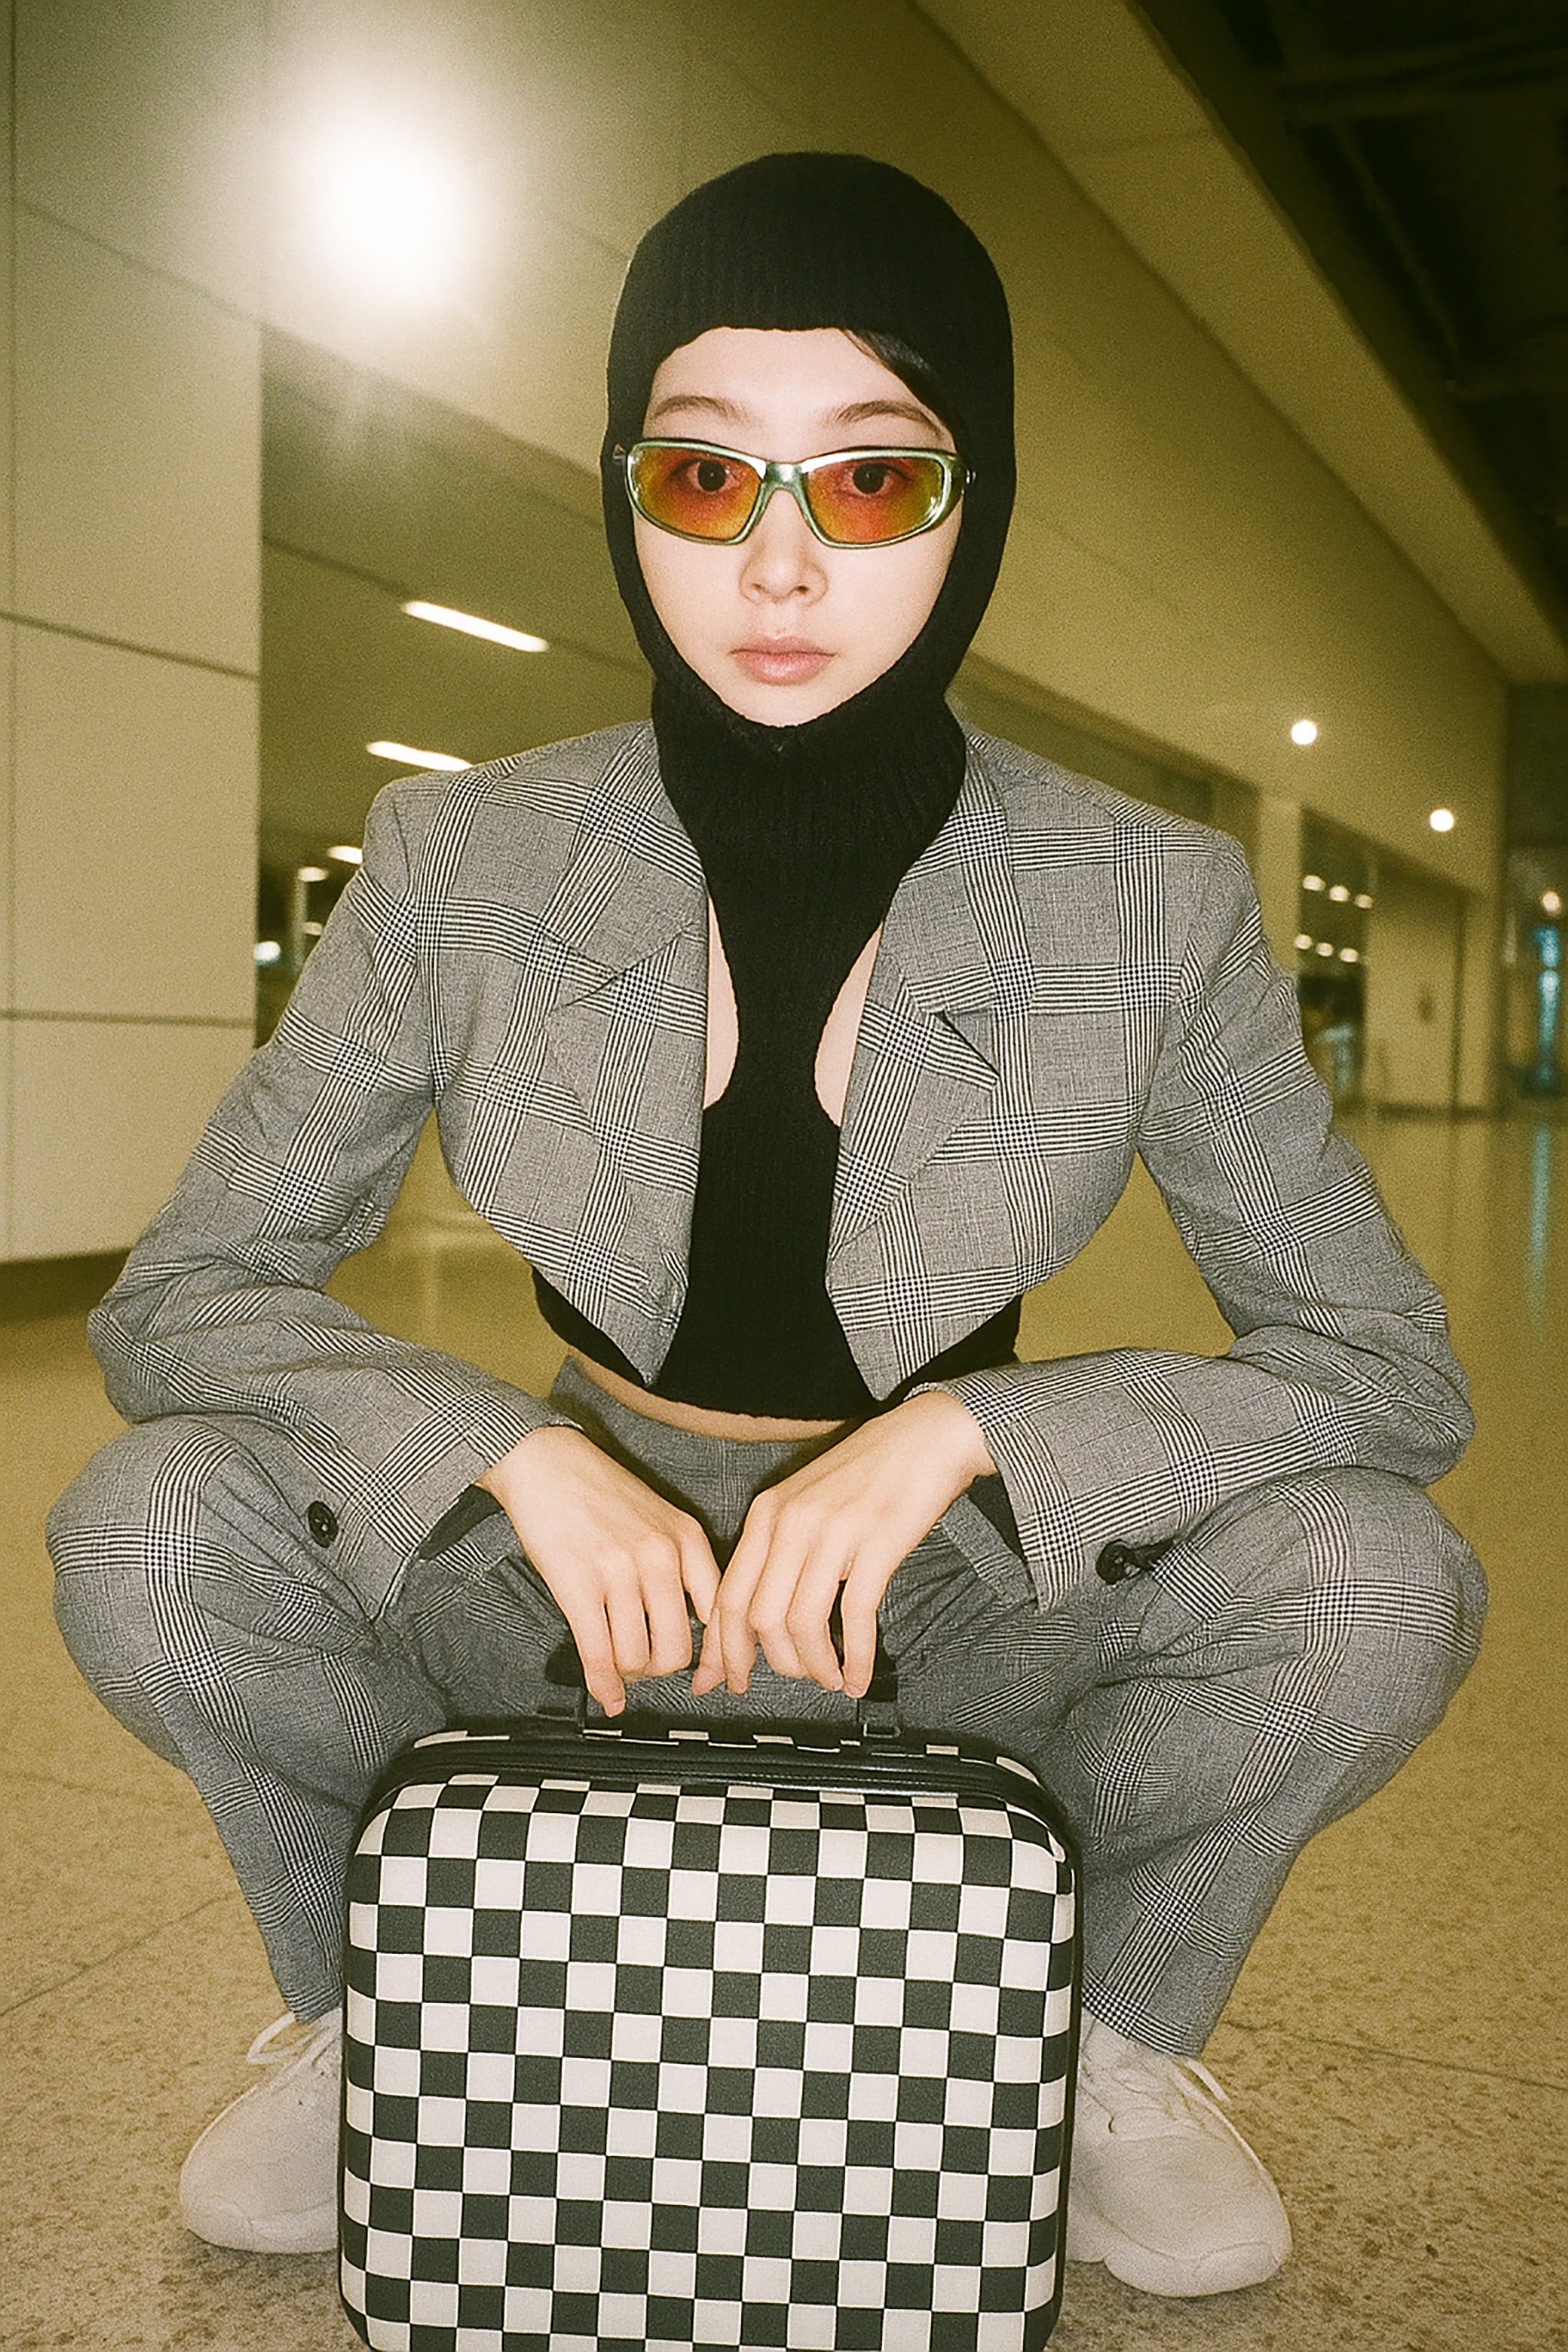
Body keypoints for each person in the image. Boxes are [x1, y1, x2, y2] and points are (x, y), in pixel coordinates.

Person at [47, 152, 1485, 2303]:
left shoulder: (1142, 902)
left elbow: (1389, 1376)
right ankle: (387, 2010)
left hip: (959, 1602)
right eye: (709, 482)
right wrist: (512, 1455)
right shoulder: (464, 862)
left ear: (973, 499)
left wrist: (972, 1442)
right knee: (148, 1525)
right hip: (550, 1581)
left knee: (1383, 1579)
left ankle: (1101, 2040)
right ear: (627, 497)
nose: (785, 564)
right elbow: (192, 1297)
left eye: (874, 485)